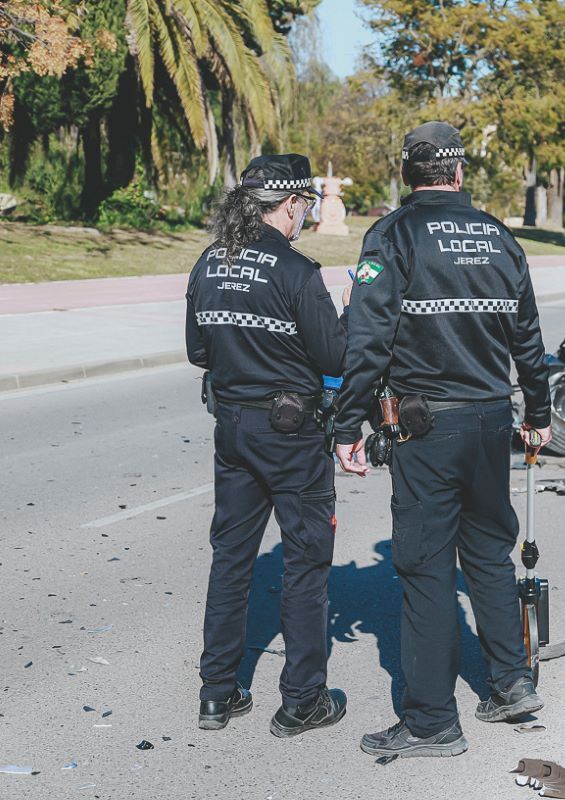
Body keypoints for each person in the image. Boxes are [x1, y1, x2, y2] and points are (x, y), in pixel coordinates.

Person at [332, 121, 552, 759]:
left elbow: (366, 340)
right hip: (488, 420)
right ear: (459, 174)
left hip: (425, 425)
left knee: (425, 567)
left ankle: (431, 720)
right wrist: (538, 410)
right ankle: (512, 682)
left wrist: (347, 424)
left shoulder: (393, 235)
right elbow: (528, 338)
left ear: (409, 174)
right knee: (487, 553)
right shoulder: (499, 238)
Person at [185, 154, 349, 737]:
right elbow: (334, 358)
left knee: (231, 558)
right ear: (291, 204)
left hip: (232, 427)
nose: (303, 214)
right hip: (292, 433)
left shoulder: (209, 262)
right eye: (303, 205)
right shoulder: (299, 273)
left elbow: (197, 352)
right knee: (306, 562)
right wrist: (348, 316)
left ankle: (216, 692)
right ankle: (302, 699)